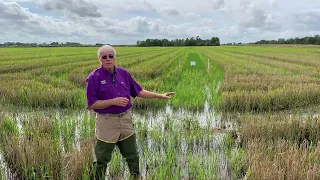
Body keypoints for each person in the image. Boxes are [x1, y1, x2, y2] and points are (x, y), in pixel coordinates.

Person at [86, 45, 175, 179]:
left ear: (115, 57)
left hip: (126, 119)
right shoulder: (94, 77)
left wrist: (159, 95)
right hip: (107, 122)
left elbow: (138, 91)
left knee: (132, 155)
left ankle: (136, 176)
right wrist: (113, 101)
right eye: (104, 57)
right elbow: (92, 104)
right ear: (99, 59)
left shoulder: (123, 73)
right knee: (101, 159)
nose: (108, 59)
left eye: (111, 56)